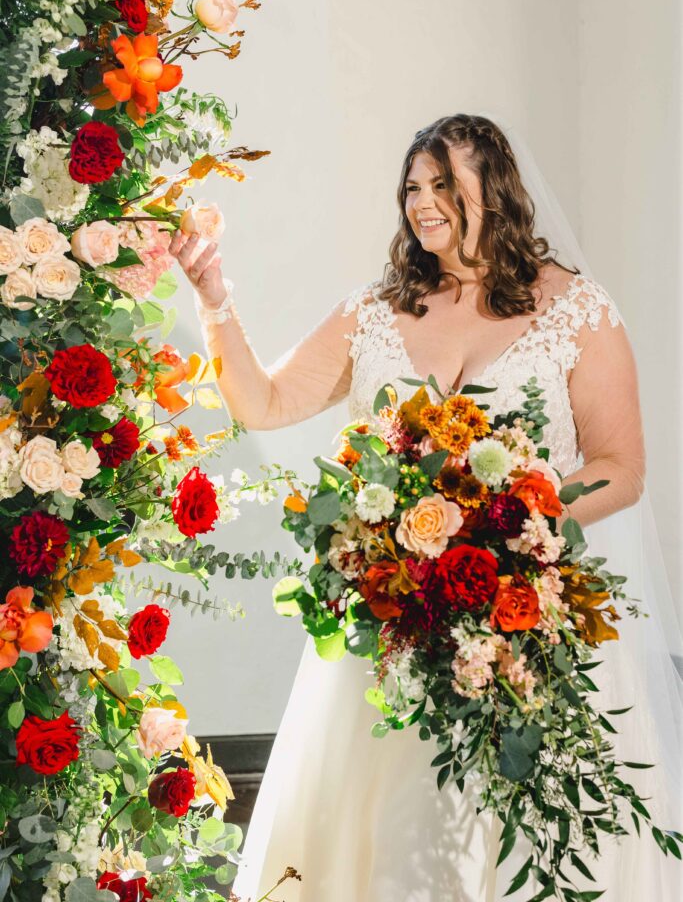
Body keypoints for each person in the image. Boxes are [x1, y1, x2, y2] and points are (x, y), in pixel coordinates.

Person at [170, 113, 682, 900]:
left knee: (521, 835)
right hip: (395, 626)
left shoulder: (576, 310)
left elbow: (621, 467)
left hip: (521, 621)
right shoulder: (374, 309)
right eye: (412, 187)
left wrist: (521, 520)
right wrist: (213, 298)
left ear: (495, 189)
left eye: (443, 184)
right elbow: (264, 403)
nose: (423, 202)